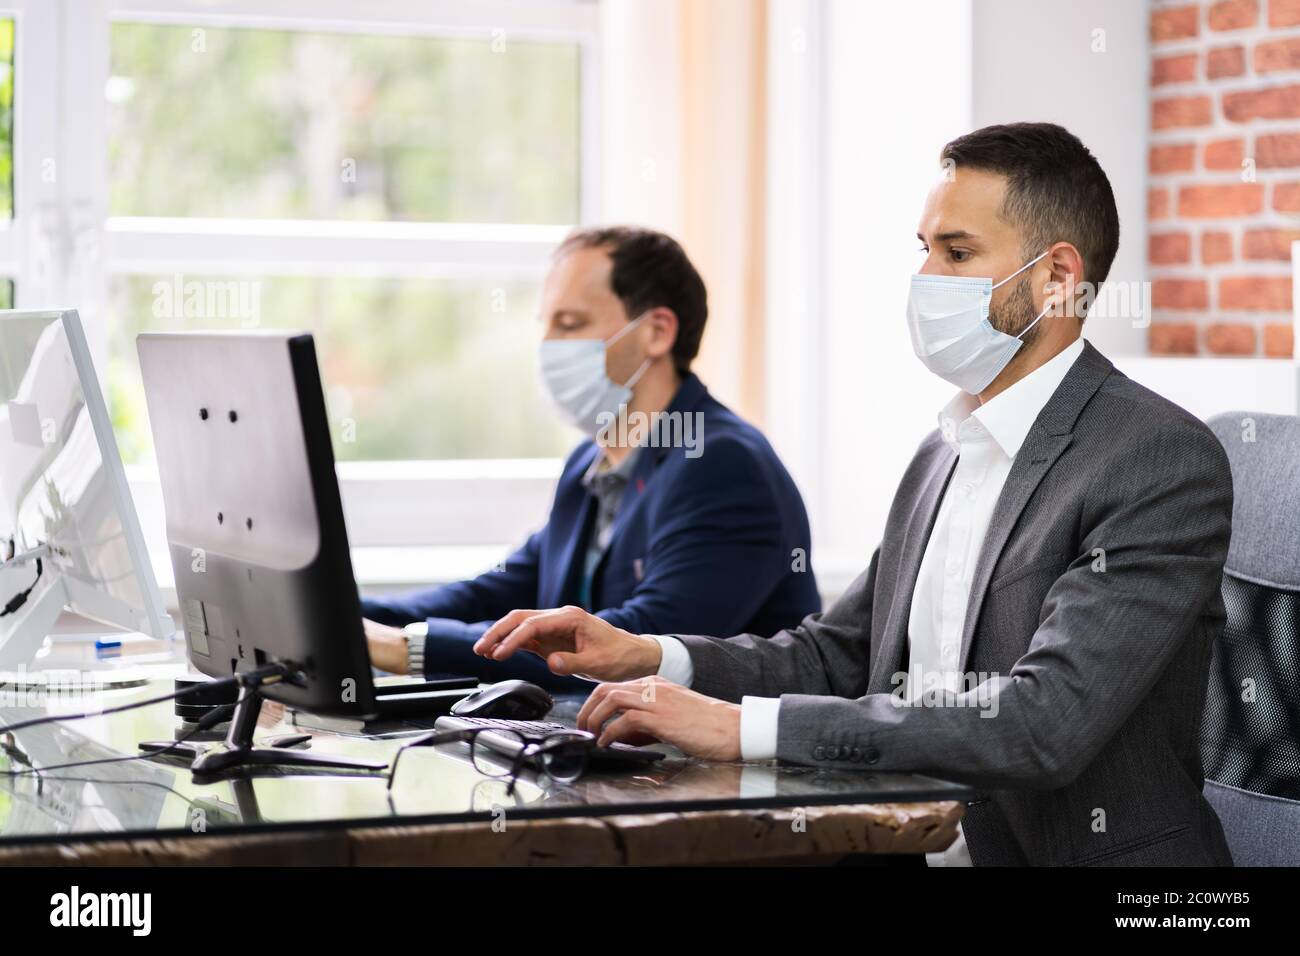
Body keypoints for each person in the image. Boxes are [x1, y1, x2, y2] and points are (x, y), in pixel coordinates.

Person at [475, 123, 1236, 866]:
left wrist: (742, 729)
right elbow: (837, 654)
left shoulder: (1155, 459)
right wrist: (648, 655)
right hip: (908, 839)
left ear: (1057, 278)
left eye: (958, 252)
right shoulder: (944, 450)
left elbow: (1042, 723)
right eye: (924, 249)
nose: (927, 278)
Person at [364, 226, 821, 693]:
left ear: (657, 332)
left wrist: (407, 648)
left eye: (570, 324)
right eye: (546, 325)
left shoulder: (721, 463)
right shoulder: (592, 461)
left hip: (714, 761)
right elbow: (496, 592)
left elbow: (631, 643)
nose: (547, 346)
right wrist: (344, 615)